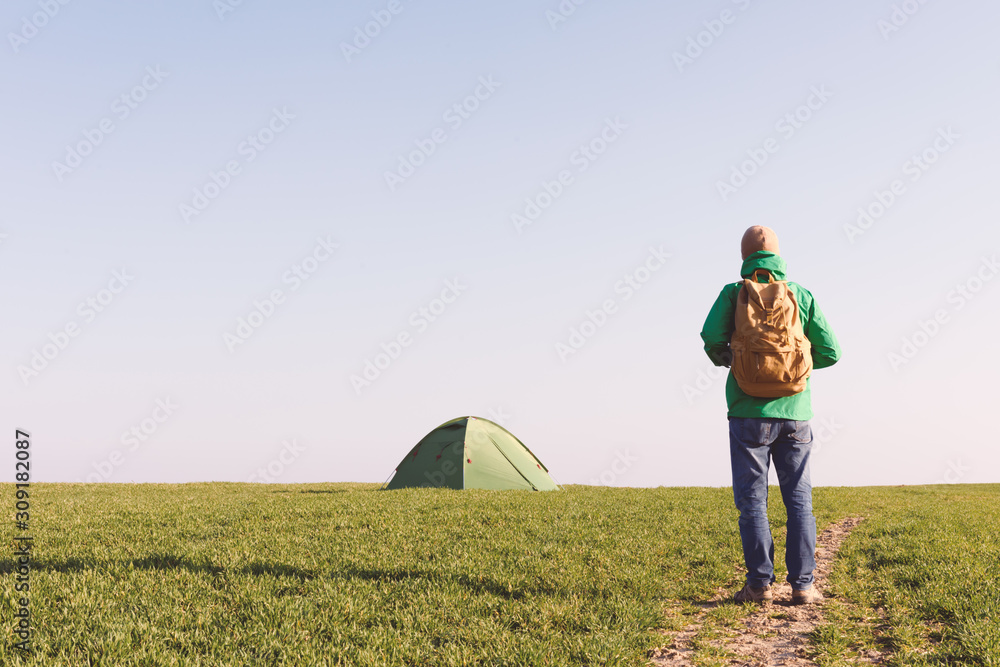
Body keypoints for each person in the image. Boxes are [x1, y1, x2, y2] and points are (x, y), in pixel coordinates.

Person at [700, 226, 841, 605]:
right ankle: (804, 586)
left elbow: (711, 339)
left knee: (753, 502)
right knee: (799, 500)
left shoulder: (734, 293)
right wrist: (796, 369)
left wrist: (734, 362)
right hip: (796, 414)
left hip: (746, 413)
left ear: (745, 256)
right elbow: (832, 351)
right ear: (779, 255)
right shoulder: (800, 294)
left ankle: (759, 586)